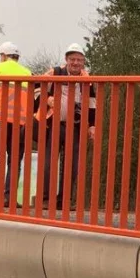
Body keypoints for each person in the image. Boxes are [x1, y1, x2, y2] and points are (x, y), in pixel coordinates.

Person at [38, 43, 96, 210]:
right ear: (66, 60)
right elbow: (36, 88)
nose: (76, 63)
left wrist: (92, 126)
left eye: (79, 60)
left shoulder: (87, 80)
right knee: (49, 162)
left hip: (76, 126)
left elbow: (92, 104)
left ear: (83, 62)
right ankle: (45, 199)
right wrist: (47, 99)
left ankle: (63, 200)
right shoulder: (55, 73)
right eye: (72, 59)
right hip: (54, 124)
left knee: (72, 164)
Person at [0, 40, 34, 206]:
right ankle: (8, 198)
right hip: (18, 124)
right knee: (14, 161)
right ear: (17, 57)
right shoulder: (28, 74)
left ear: (3, 56)